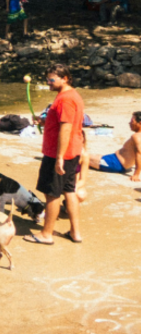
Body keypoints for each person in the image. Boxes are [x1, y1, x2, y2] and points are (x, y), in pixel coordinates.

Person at [26, 64, 84, 245]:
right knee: (69, 191)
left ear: (64, 78)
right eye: (47, 80)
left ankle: (46, 234)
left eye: (51, 80)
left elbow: (65, 129)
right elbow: (64, 123)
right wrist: (44, 121)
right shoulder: (71, 95)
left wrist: (59, 157)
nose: (48, 83)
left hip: (60, 154)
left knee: (52, 194)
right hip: (72, 151)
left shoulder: (65, 99)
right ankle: (75, 232)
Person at [90, 110, 141, 181]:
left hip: (115, 164)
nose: (129, 123)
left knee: (83, 157)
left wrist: (136, 174)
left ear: (140, 123)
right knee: (92, 156)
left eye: (132, 121)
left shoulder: (136, 137)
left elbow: (139, 154)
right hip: (114, 160)